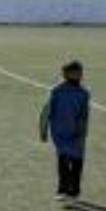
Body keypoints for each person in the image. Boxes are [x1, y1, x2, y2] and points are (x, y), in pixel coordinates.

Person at [40, 61, 90, 200]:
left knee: (77, 162)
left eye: (80, 72)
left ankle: (74, 191)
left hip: (77, 134)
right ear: (66, 74)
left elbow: (84, 115)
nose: (80, 75)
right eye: (76, 72)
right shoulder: (56, 91)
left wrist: (82, 131)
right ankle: (63, 189)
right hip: (60, 133)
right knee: (63, 160)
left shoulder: (84, 93)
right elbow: (46, 112)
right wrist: (43, 130)